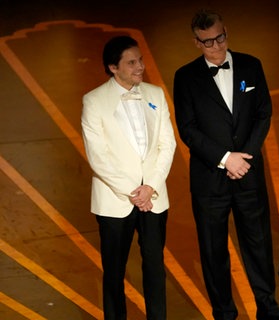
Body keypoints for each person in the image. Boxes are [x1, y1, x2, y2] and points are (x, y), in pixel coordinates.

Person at [173, 9, 279, 320]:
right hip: (210, 179)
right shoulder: (185, 77)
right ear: (196, 43)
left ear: (227, 31)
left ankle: (268, 309)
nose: (216, 46)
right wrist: (225, 159)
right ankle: (224, 313)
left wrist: (244, 158)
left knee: (259, 244)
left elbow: (264, 113)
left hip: (248, 173)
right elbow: (188, 129)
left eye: (220, 38)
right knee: (213, 250)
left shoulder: (252, 65)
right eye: (208, 42)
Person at [81, 35, 176, 320]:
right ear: (113, 67)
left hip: (154, 198)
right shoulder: (94, 101)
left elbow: (166, 145)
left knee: (155, 269)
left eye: (141, 60)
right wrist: (135, 192)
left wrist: (151, 187)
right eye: (131, 62)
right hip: (115, 201)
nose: (140, 67)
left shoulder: (155, 94)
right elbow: (98, 157)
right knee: (114, 272)